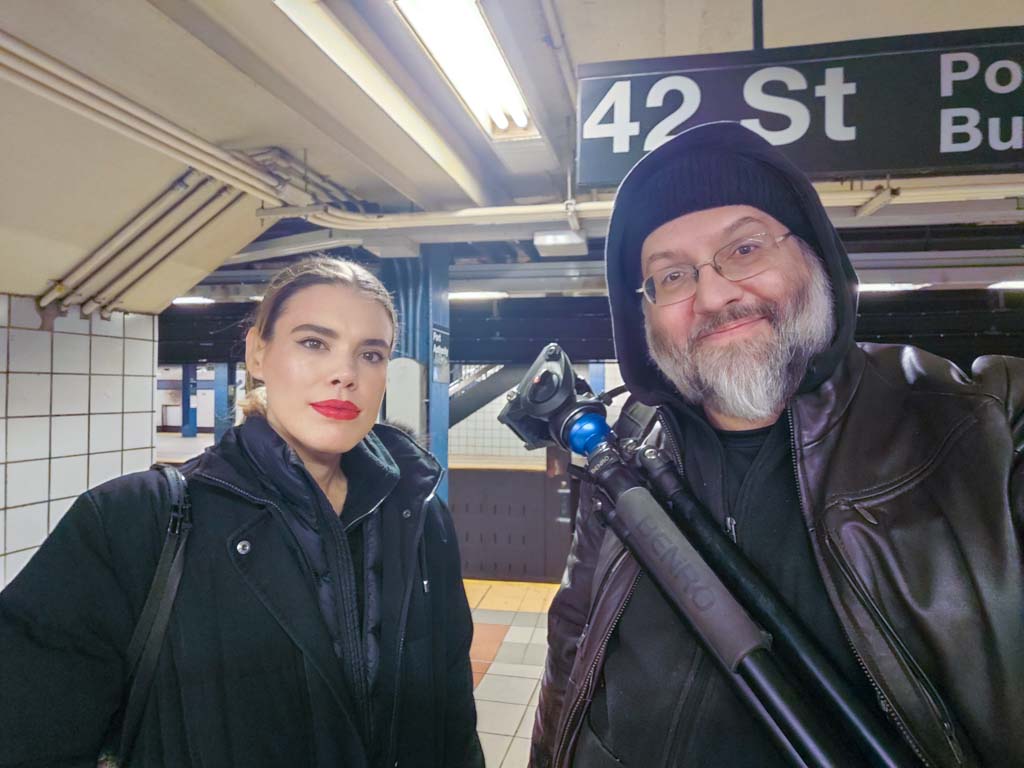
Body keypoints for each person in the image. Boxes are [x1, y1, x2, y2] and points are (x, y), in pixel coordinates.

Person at [531, 123, 1024, 767]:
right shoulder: (628, 448)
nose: (714, 295)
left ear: (814, 257)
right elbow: (570, 651)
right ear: (643, 313)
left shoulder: (984, 426)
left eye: (744, 249)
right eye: (672, 275)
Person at [0, 256, 484, 768]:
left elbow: (453, 714)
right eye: (313, 343)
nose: (345, 374)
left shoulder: (418, 516)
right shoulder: (132, 523)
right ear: (258, 353)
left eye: (370, 354)